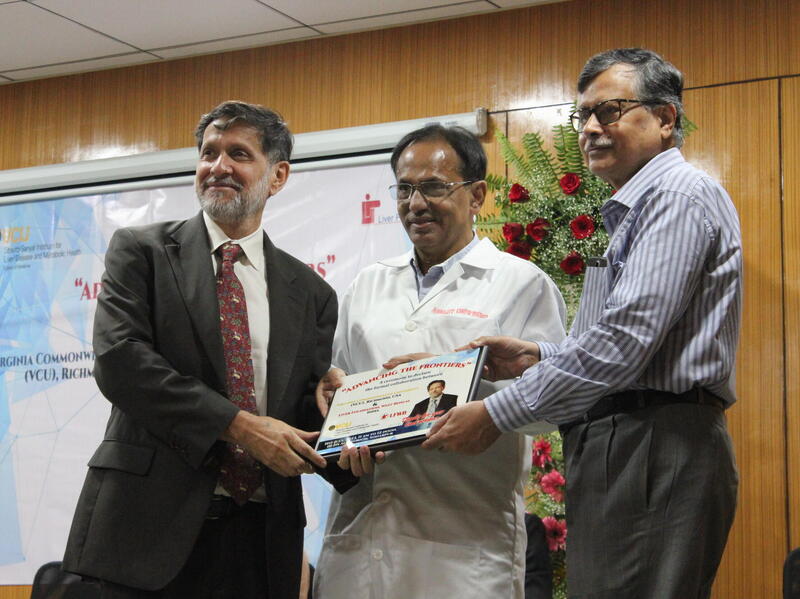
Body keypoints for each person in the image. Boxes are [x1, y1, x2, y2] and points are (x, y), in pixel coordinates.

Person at [424, 48, 742, 598]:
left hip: (654, 442)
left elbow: (624, 341)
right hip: (631, 439)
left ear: (666, 119)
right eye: (584, 115)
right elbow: (628, 341)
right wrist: (536, 357)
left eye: (610, 110)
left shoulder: (676, 197)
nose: (591, 128)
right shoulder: (641, 205)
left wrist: (495, 413)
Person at [62, 101, 336, 599]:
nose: (218, 166)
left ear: (277, 176)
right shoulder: (141, 251)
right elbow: (121, 362)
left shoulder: (312, 292)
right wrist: (240, 426)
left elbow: (299, 413)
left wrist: (346, 409)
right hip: (145, 532)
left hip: (260, 540)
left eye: (239, 154)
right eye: (209, 153)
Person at [312, 125, 566, 598]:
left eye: (433, 187)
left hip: (462, 550)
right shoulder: (367, 284)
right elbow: (339, 389)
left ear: (477, 196)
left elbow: (553, 407)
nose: (416, 204)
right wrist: (337, 414)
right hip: (361, 541)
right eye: (404, 189)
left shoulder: (522, 284)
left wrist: (458, 386)